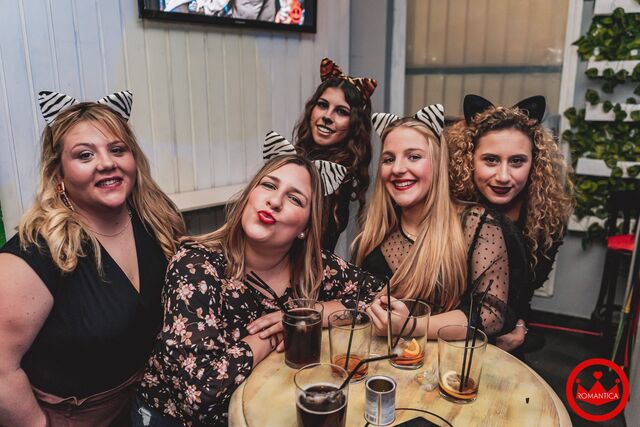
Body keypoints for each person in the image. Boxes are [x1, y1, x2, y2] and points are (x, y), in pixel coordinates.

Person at [134, 152, 385, 426]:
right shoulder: (196, 265)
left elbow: (380, 294)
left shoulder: (314, 267)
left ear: (305, 227)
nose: (275, 201)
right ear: (248, 196)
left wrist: (314, 313)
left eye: (294, 198)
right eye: (269, 185)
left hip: (266, 410)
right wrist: (271, 336)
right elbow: (200, 394)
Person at [0, 91, 185, 426]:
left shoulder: (157, 224)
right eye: (85, 155)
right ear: (58, 174)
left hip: (147, 405)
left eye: (117, 149)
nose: (106, 162)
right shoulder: (33, 253)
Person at [353, 108, 511, 341]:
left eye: (414, 157)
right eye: (388, 159)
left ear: (438, 163)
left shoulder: (476, 225)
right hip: (380, 358)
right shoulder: (374, 232)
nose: (397, 169)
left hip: (446, 360)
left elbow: (490, 315)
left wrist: (411, 326)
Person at [446, 94, 573, 352]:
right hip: (447, 331)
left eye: (517, 161)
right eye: (491, 160)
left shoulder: (547, 219)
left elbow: (524, 292)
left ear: (534, 163)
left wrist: (521, 326)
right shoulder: (450, 209)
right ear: (469, 160)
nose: (503, 176)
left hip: (506, 334)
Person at [292, 57, 377, 251]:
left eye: (341, 111)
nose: (327, 117)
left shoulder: (334, 176)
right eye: (323, 105)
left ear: (354, 125)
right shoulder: (302, 159)